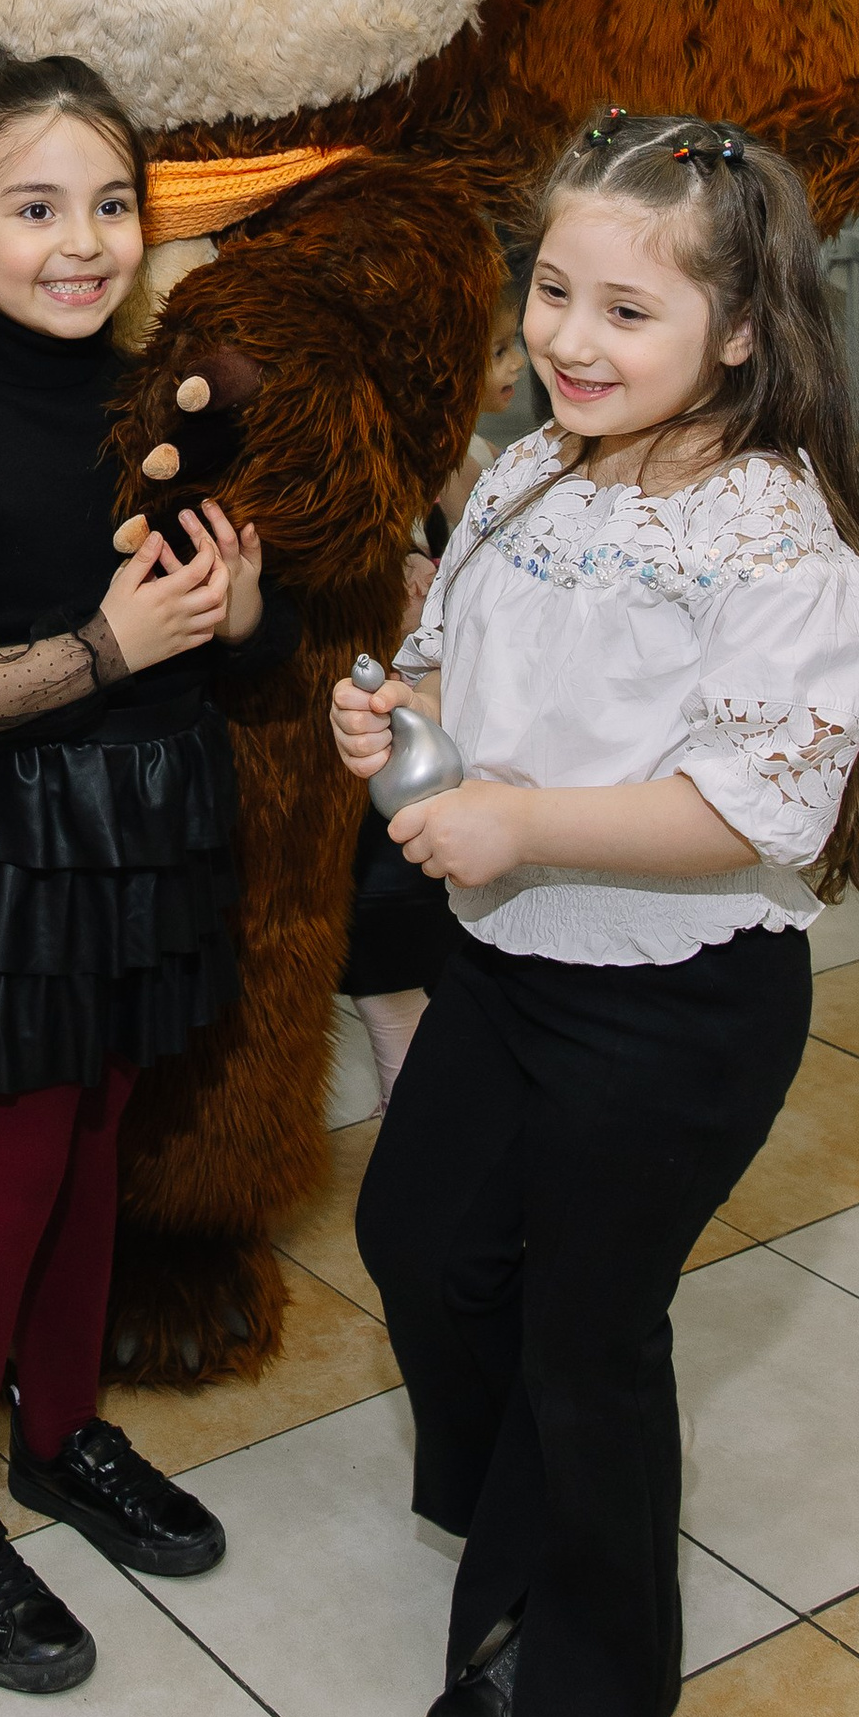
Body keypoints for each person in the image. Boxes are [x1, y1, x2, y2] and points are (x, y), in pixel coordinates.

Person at [339, 113, 859, 1717]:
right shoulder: (527, 473)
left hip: (678, 1006)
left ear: (742, 329)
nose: (571, 343)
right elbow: (455, 674)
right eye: (552, 293)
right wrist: (400, 725)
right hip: (515, 963)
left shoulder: (776, 539)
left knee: (593, 1335)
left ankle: (591, 1675)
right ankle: (511, 1497)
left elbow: (752, 808)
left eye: (627, 313)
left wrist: (520, 823)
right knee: (421, 1238)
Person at [0, 49, 288, 1694]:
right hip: (2, 862)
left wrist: (234, 611)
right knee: (3, 1185)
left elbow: (222, 622)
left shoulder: (144, 395)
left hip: (136, 832)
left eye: (109, 205)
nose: (81, 242)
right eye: (35, 207)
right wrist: (105, 647)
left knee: (99, 1147)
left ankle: (63, 1431)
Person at [343, 281, 528, 1109]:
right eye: (497, 352)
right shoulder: (373, 481)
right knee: (389, 943)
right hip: (380, 753)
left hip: (452, 751)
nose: (519, 364)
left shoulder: (484, 467)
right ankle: (404, 1094)